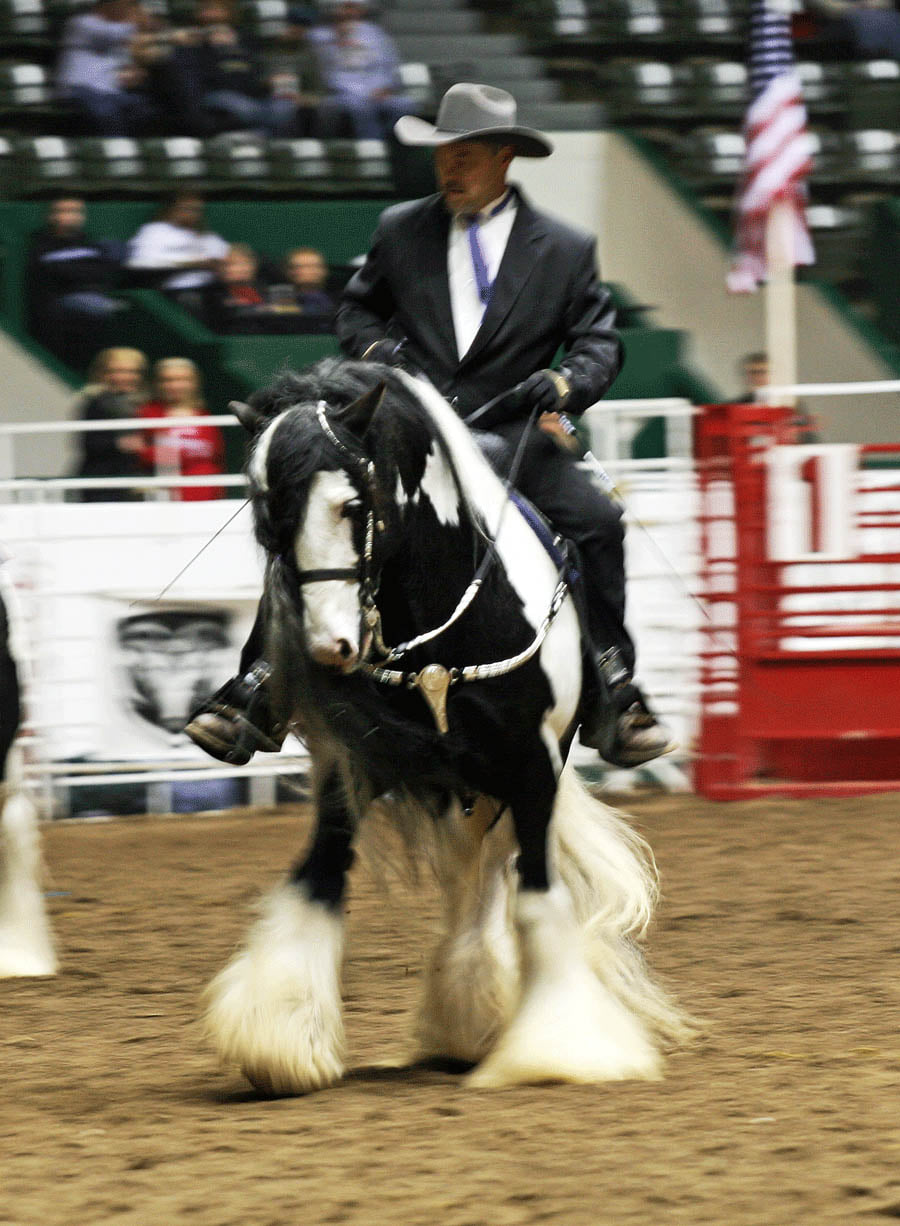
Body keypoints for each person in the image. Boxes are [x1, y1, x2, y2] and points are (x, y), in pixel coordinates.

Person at [186, 83, 672, 770]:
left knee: (596, 520)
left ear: (504, 157)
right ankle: (259, 687)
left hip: (515, 438)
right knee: (315, 517)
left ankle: (614, 686)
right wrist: (378, 353)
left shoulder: (564, 247)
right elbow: (356, 315)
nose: (451, 168)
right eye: (445, 153)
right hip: (410, 434)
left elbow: (600, 341)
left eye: (467, 155)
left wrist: (565, 384)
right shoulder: (399, 229)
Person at [143, 0, 296, 137]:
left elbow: (255, 74)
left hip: (250, 95)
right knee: (246, 109)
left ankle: (256, 137)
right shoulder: (194, 37)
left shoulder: (244, 40)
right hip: (216, 94)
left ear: (228, 12)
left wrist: (268, 82)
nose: (208, 14)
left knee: (284, 106)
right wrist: (208, 43)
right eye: (205, 9)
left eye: (215, 9)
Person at [25, 196, 129, 372]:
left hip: (96, 296)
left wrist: (86, 271)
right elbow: (64, 273)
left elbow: (105, 272)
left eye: (75, 211)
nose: (70, 216)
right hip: (59, 304)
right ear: (51, 216)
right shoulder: (41, 246)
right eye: (63, 211)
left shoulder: (91, 244)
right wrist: (88, 270)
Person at [306, 0, 415, 141]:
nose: (350, 13)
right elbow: (323, 71)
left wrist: (385, 88)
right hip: (342, 93)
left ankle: (391, 145)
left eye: (355, 8)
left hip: (378, 91)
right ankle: (373, 147)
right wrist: (336, 39)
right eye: (346, 7)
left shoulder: (375, 33)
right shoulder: (319, 36)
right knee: (362, 109)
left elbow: (389, 64)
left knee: (405, 106)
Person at [56, 0, 160, 135]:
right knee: (107, 112)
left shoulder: (121, 39)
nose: (126, 9)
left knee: (144, 110)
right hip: (78, 89)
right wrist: (141, 23)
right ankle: (118, 151)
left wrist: (130, 73)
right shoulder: (82, 23)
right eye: (124, 6)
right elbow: (117, 34)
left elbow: (128, 64)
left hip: (108, 92)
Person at [138, 357, 224, 500]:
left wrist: (169, 452)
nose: (175, 386)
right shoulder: (148, 413)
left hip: (206, 496)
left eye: (183, 380)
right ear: (158, 384)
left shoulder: (205, 416)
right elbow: (138, 454)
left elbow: (216, 458)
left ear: (194, 383)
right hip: (164, 498)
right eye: (168, 380)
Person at [126, 192, 230, 307]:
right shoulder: (153, 231)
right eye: (187, 209)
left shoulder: (207, 236)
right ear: (172, 209)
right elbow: (142, 263)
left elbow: (230, 257)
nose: (193, 213)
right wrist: (194, 264)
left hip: (210, 290)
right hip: (172, 292)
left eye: (196, 210)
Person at [72, 347, 148, 500]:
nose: (124, 377)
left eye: (131, 371)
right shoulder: (95, 402)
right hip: (101, 481)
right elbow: (87, 442)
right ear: (104, 374)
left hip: (137, 481)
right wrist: (119, 443)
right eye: (117, 371)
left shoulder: (147, 404)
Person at [203, 242, 271, 330]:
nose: (231, 269)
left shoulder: (270, 292)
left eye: (240, 264)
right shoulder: (208, 297)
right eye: (225, 265)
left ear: (254, 266)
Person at [282, 246, 335, 321]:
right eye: (299, 266)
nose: (308, 271)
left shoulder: (341, 301)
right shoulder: (277, 301)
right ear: (288, 271)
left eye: (315, 266)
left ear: (324, 270)